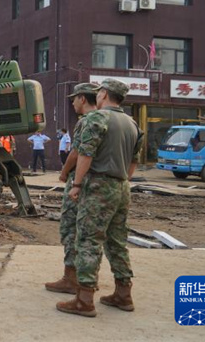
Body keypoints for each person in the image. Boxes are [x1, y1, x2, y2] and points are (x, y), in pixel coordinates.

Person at [57, 78, 142, 318]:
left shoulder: (97, 119)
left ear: (103, 94)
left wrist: (76, 183)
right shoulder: (132, 123)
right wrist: (122, 179)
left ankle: (84, 300)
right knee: (117, 241)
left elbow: (85, 153)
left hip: (97, 187)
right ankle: (123, 294)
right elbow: (134, 160)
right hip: (121, 186)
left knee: (88, 240)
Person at [45, 83, 99, 294]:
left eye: (75, 98)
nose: (73, 102)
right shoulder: (107, 120)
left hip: (80, 181)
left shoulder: (86, 122)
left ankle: (71, 279)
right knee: (92, 234)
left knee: (70, 228)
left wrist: (65, 172)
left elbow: (77, 152)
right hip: (97, 183)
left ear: (83, 99)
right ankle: (88, 279)